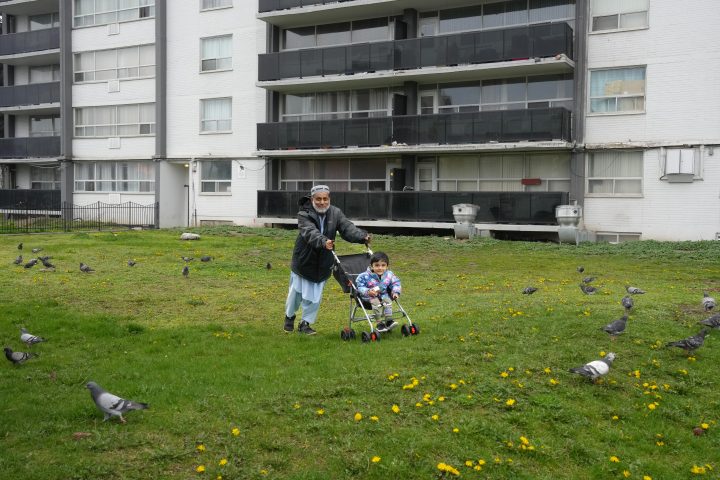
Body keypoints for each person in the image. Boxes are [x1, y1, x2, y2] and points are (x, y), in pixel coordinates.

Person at [284, 185, 371, 335]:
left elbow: (347, 228)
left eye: (325, 199)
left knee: (315, 295)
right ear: (312, 199)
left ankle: (305, 323)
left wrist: (362, 236)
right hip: (304, 260)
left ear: (329, 199)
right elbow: (309, 232)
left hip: (324, 261)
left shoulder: (335, 212)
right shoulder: (303, 214)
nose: (322, 202)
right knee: (296, 293)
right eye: (318, 199)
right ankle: (289, 316)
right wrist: (324, 241)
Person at [355, 251, 402, 333]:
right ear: (371, 266)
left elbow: (396, 283)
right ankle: (379, 323)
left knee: (387, 301)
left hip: (384, 295)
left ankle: (388, 321)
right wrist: (368, 291)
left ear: (387, 266)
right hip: (369, 297)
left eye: (383, 265)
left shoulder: (389, 275)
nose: (380, 268)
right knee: (376, 303)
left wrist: (395, 292)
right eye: (377, 265)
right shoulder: (364, 276)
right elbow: (360, 286)